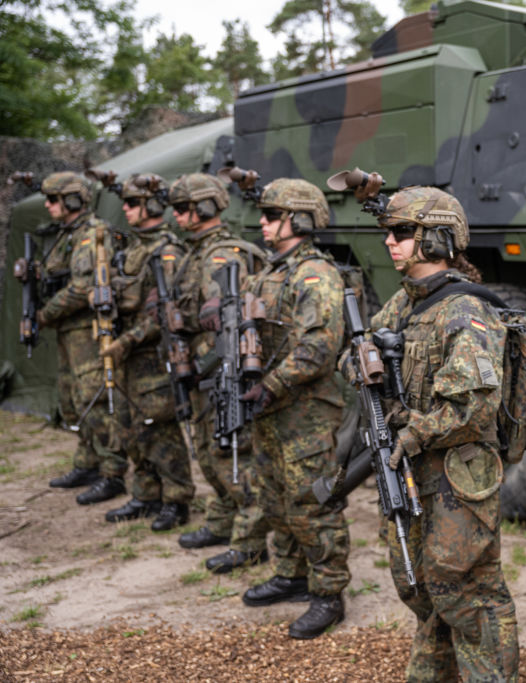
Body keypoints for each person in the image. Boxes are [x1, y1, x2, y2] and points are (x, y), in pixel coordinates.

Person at [347, 184, 519, 681]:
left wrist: (413, 433)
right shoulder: (404, 305)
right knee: (418, 582)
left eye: (404, 232)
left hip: (457, 474)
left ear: (439, 238)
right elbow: (357, 354)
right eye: (389, 232)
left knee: (466, 591)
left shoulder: (464, 311)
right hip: (413, 468)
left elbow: (474, 405)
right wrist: (361, 362)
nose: (390, 241)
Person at [235, 179, 351, 639]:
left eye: (271, 215)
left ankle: (328, 592)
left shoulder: (315, 275)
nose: (262, 223)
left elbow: (318, 347)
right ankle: (291, 574)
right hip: (269, 408)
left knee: (312, 502)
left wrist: (271, 385)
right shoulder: (270, 271)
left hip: (304, 411)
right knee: (274, 497)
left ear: (298, 219)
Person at [166, 173, 271, 572]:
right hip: (199, 372)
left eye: (181, 208)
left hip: (217, 372)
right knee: (210, 455)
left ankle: (249, 541)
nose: (175, 216)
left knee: (233, 456)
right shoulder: (196, 252)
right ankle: (222, 520)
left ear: (205, 207)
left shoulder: (221, 255)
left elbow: (227, 324)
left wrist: (204, 366)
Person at [100, 174, 194, 531]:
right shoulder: (134, 247)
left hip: (154, 355)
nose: (125, 209)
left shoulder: (167, 251)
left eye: (132, 203)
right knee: (131, 428)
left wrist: (126, 341)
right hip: (128, 355)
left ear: (152, 206)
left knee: (159, 427)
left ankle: (177, 498)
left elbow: (164, 312)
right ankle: (147, 492)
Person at [34, 172, 131, 504]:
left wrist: (45, 314)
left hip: (89, 330)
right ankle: (88, 461)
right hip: (70, 331)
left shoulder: (93, 234)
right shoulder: (68, 235)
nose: (48, 205)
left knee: (95, 399)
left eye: (53, 199)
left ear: (73, 200)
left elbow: (82, 288)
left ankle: (112, 470)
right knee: (74, 399)